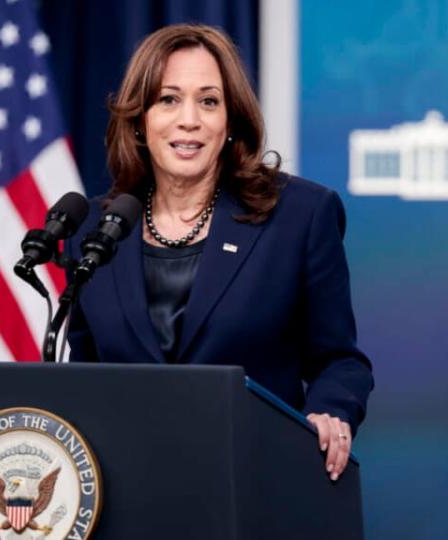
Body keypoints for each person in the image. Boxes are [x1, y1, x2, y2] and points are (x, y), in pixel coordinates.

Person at [65, 24, 373, 482]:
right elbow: (85, 374)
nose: (189, 119)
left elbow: (340, 361)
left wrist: (330, 412)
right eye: (168, 99)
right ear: (139, 119)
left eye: (209, 101)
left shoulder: (299, 216)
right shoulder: (95, 229)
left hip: (254, 481)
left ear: (230, 121)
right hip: (128, 487)